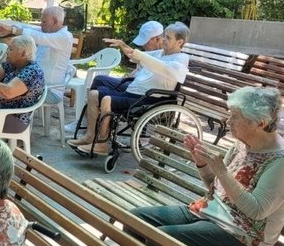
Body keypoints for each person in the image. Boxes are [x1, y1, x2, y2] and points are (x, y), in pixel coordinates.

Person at [127, 87, 284, 246]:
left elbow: (256, 211)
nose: (228, 121)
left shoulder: (282, 161)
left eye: (235, 116)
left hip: (242, 236)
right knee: (134, 220)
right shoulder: (242, 143)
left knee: (161, 240)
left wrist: (222, 172)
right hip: (207, 213)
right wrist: (202, 163)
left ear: (260, 123)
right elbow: (216, 188)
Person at [67, 22, 191, 155]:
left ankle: (102, 144)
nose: (164, 40)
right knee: (93, 94)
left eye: (168, 38)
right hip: (134, 91)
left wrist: (142, 57)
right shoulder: (161, 53)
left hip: (150, 98)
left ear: (180, 42)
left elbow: (165, 68)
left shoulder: (181, 58)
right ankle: (90, 136)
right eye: (164, 36)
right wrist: (122, 45)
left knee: (107, 99)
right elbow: (134, 55)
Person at [65, 20, 164, 133]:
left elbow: (147, 68)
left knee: (100, 84)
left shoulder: (161, 55)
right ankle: (91, 122)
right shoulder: (152, 53)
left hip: (139, 90)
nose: (143, 45)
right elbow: (140, 66)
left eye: (146, 42)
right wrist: (132, 72)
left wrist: (122, 45)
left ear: (157, 39)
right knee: (100, 82)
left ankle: (90, 124)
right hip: (133, 84)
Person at [0, 6, 72, 106]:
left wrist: (12, 30)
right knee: (2, 86)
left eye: (44, 22)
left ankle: (3, 118)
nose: (41, 25)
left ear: (55, 22)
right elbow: (28, 28)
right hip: (35, 84)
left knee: (7, 94)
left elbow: (38, 37)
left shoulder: (65, 37)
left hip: (49, 91)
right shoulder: (48, 31)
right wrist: (8, 30)